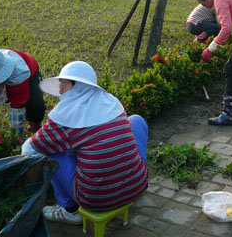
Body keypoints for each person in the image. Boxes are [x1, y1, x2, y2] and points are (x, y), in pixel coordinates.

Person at [21, 61, 148, 225]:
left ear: (73, 85)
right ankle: (130, 178)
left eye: (63, 85)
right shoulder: (111, 103)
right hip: (137, 185)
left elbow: (32, 149)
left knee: (50, 153)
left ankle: (70, 211)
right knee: (136, 121)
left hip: (96, 199)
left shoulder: (64, 118)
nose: (60, 91)